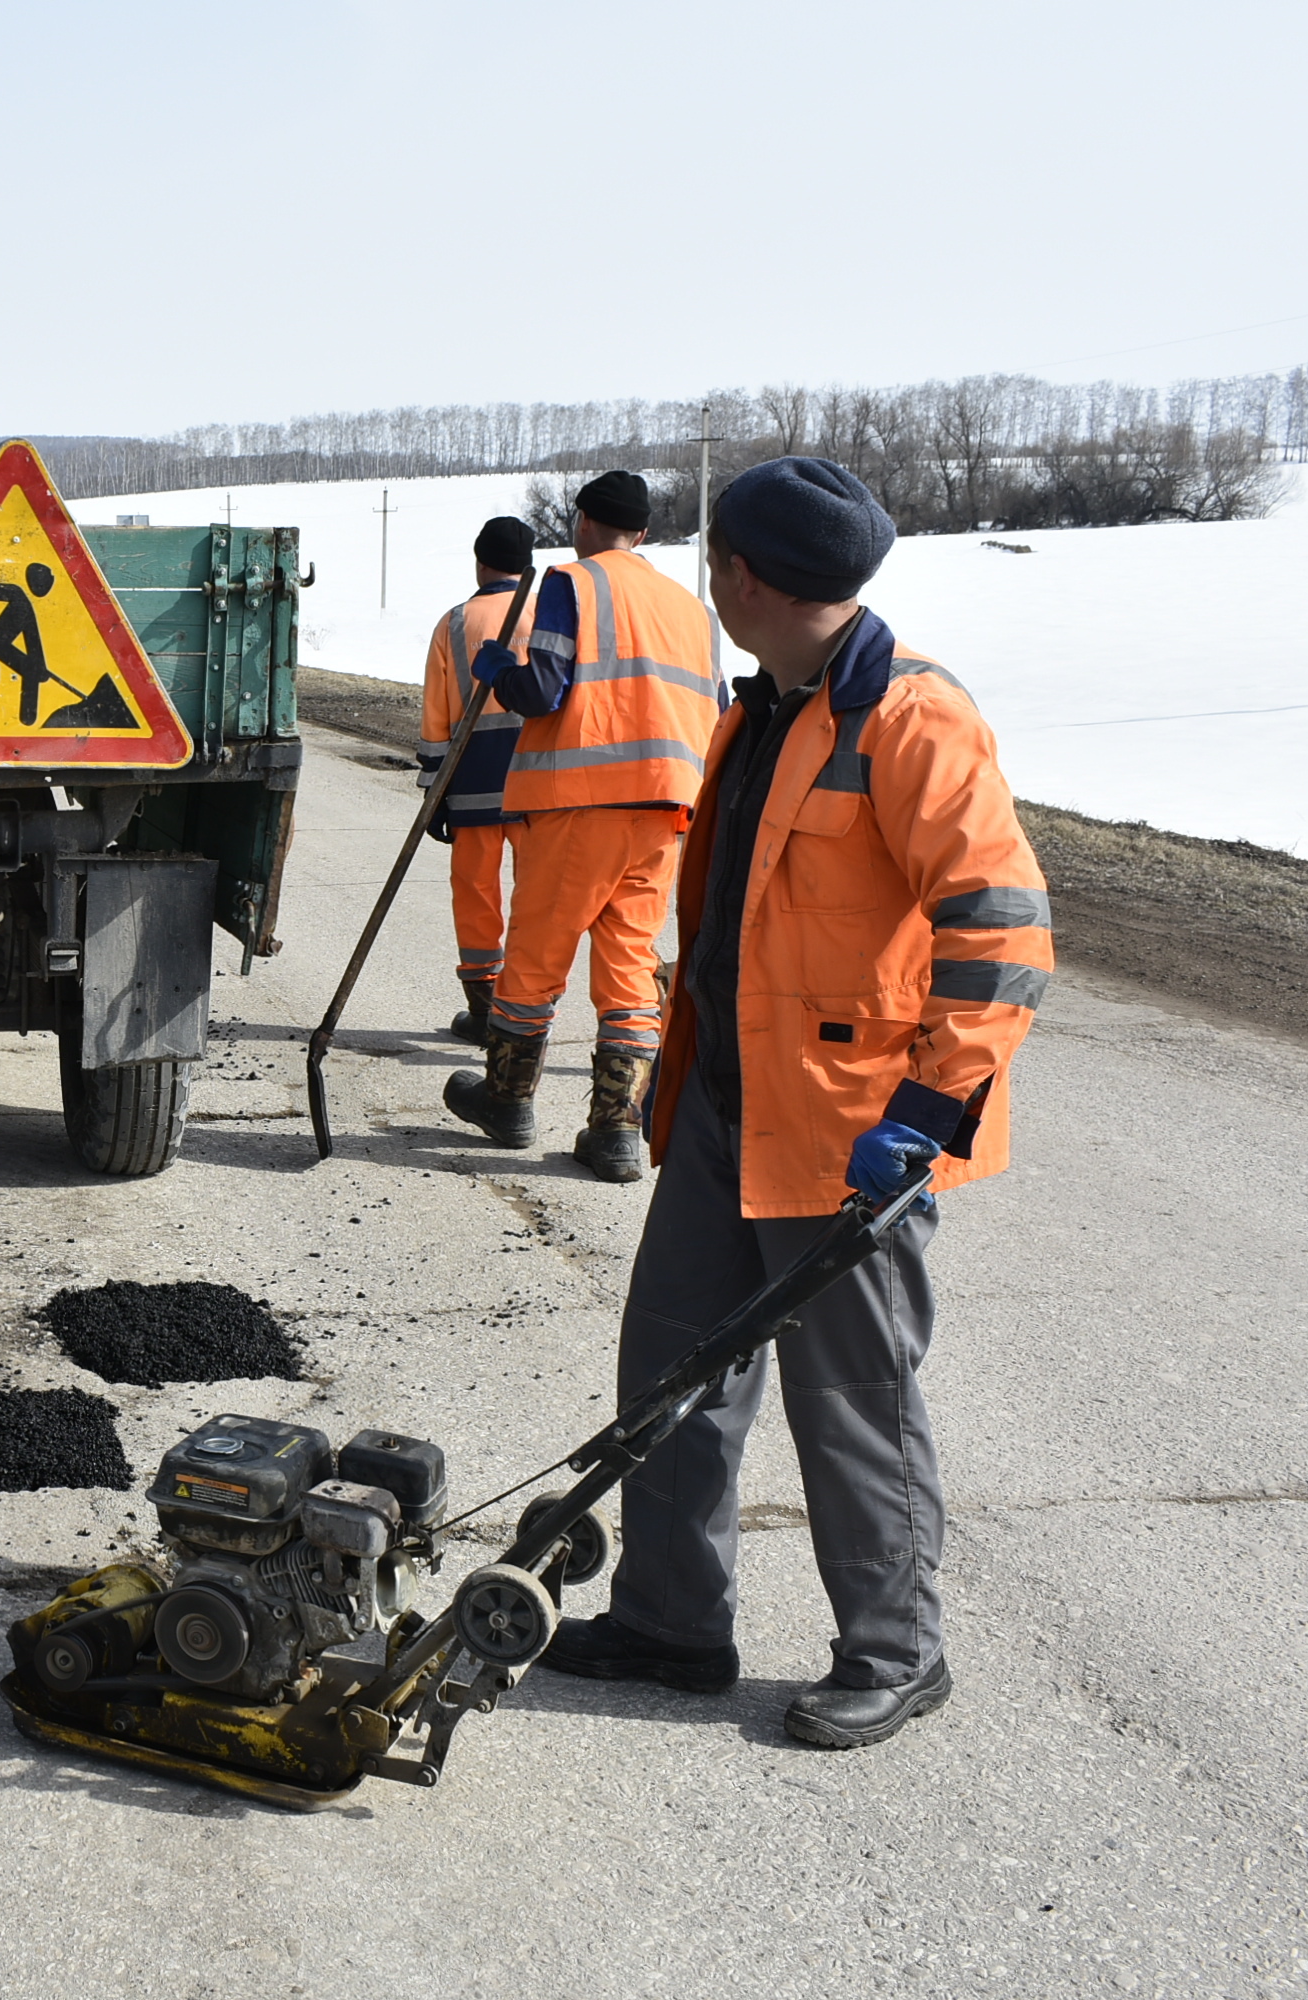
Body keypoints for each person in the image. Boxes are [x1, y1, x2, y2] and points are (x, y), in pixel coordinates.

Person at [540, 456, 1050, 1750]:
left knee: (851, 1404)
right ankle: (671, 1622)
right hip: (724, 1109)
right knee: (670, 1375)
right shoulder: (764, 707)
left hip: (850, 1139)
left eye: (718, 565)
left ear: (743, 577)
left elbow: (1003, 937)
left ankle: (894, 1651)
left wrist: (925, 1119)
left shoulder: (910, 718)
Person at [445, 470, 724, 1181]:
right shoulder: (693, 609)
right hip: (668, 809)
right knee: (630, 961)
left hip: (580, 800)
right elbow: (715, 708)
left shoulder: (575, 584)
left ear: (581, 522)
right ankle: (618, 1130)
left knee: (537, 952)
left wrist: (498, 669)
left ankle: (507, 1101)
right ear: (646, 533)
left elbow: (543, 689)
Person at [417, 515, 535, 1041]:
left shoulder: (456, 622)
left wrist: (434, 793)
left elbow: (436, 719)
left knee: (476, 890)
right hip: (544, 784)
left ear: (480, 562)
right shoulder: (554, 613)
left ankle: (485, 1006)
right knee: (538, 895)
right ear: (526, 565)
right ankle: (528, 1006)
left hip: (473, 783)